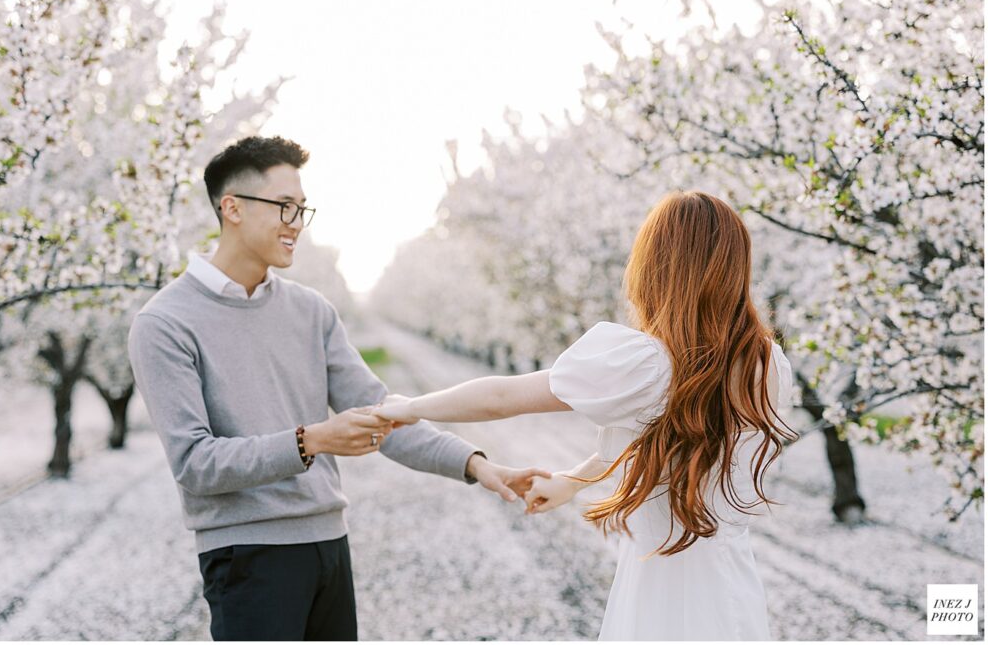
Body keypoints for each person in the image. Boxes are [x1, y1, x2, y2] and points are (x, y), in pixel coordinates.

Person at [127, 135, 549, 641]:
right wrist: (312, 441)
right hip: (246, 558)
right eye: (284, 207)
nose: (295, 225)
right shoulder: (166, 324)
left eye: (302, 210)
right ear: (231, 208)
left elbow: (382, 412)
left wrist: (477, 465)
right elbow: (195, 464)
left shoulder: (310, 311)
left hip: (329, 546)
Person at [373, 190, 800, 641]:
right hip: (733, 592)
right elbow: (664, 438)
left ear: (656, 269)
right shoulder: (769, 363)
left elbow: (504, 396)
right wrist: (572, 480)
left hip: (663, 596)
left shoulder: (647, 364)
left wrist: (410, 407)